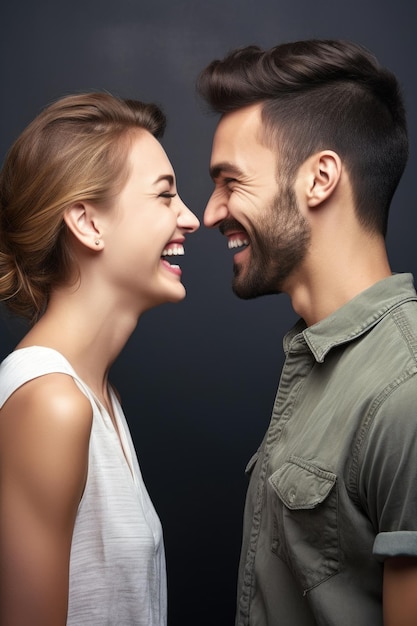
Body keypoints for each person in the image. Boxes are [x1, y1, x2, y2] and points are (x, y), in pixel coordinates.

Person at [197, 39, 417, 625]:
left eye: (230, 182)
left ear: (319, 178)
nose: (210, 213)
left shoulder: (406, 390)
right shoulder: (321, 357)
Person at [0, 92, 199, 625]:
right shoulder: (51, 404)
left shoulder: (96, 395)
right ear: (87, 223)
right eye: (164, 196)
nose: (192, 217)